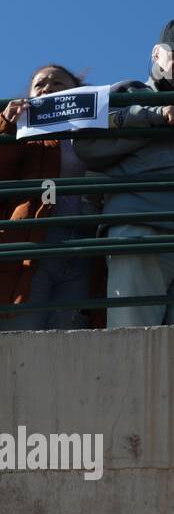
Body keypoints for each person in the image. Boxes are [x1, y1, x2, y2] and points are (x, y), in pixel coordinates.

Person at [74, 19, 174, 329]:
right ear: (156, 54)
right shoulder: (125, 93)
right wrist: (151, 116)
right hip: (140, 236)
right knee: (133, 338)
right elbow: (86, 144)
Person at [0, 65, 106, 331]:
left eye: (58, 83)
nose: (47, 89)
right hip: (38, 236)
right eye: (40, 85)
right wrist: (7, 126)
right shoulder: (25, 132)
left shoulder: (95, 131)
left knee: (66, 328)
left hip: (84, 238)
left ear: (77, 92)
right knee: (25, 324)